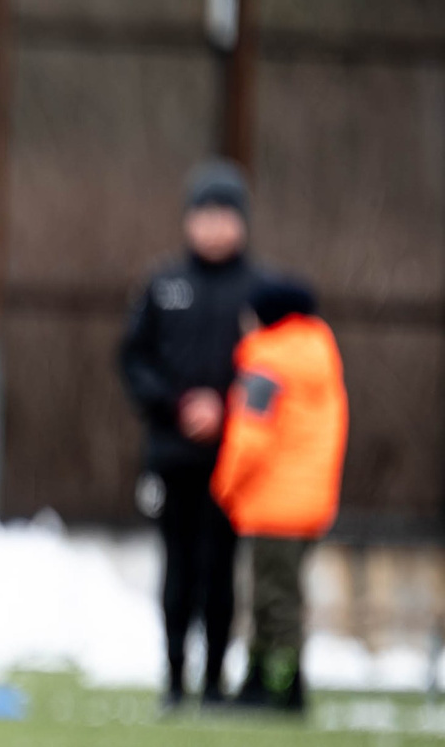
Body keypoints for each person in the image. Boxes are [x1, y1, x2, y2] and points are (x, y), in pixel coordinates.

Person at [117, 160, 255, 708]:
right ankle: (174, 677)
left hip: (238, 456)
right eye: (204, 215)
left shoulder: (259, 291)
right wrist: (178, 406)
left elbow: (276, 371)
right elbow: (133, 358)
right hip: (173, 452)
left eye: (226, 216)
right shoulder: (163, 284)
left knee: (221, 568)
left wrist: (230, 409)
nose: (214, 227)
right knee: (177, 565)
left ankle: (217, 679)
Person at [214, 275, 347, 713]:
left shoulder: (268, 362)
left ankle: (280, 689)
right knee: (281, 597)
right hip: (308, 503)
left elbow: (251, 436)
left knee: (273, 601)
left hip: (273, 503)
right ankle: (264, 683)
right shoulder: (318, 354)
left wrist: (225, 486)